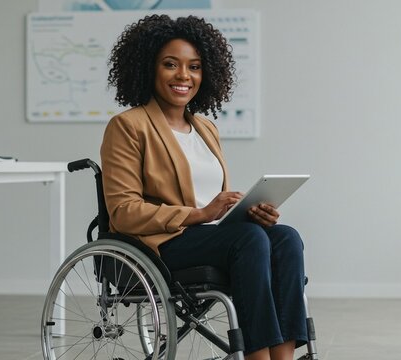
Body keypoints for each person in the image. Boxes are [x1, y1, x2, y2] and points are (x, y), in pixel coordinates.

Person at [101, 14, 307, 360]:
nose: (184, 76)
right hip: (163, 245)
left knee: (285, 237)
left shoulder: (206, 128)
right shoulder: (128, 126)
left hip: (215, 236)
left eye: (194, 67)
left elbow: (211, 201)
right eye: (171, 65)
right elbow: (122, 213)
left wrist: (247, 211)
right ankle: (257, 356)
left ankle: (282, 357)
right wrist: (198, 213)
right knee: (250, 240)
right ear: (148, 68)